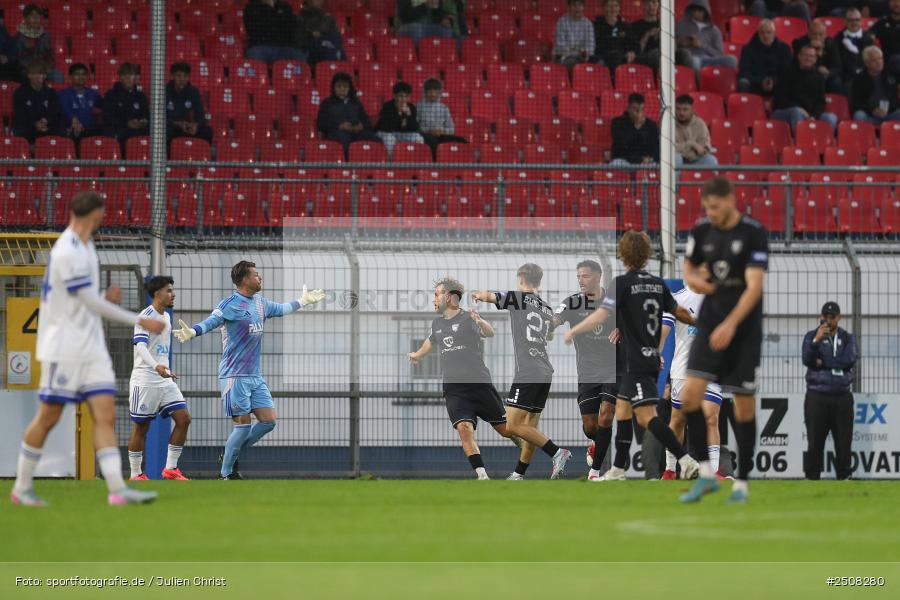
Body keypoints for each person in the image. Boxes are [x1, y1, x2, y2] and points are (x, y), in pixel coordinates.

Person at [11, 191, 164, 507]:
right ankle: (22, 487)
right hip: (65, 348)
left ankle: (117, 490)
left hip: (91, 348)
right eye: (102, 213)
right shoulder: (67, 250)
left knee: (104, 416)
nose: (104, 218)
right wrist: (137, 319)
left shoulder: (86, 245)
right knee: (49, 417)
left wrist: (102, 299)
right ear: (95, 214)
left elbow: (83, 300)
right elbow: (86, 301)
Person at [563, 231, 699, 482]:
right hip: (644, 357)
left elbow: (601, 315)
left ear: (623, 255)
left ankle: (686, 460)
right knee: (623, 412)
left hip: (634, 360)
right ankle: (617, 469)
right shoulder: (657, 283)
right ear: (646, 255)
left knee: (647, 417)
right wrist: (698, 321)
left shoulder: (622, 284)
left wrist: (575, 329)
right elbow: (679, 311)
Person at [173, 261, 325, 480]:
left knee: (268, 421)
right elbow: (212, 321)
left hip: (255, 376)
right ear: (244, 280)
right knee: (242, 427)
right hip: (234, 376)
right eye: (255, 275)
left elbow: (281, 309)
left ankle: (229, 453)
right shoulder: (230, 304)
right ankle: (226, 474)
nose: (260, 278)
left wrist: (303, 300)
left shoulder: (261, 303)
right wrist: (193, 332)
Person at [679, 176, 768, 505]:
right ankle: (705, 476)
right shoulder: (702, 231)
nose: (711, 214)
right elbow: (688, 267)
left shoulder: (753, 232)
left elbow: (754, 286)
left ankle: (742, 483)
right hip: (711, 323)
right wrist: (696, 282)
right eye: (707, 209)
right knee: (690, 397)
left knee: (743, 407)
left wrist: (731, 324)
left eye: (716, 208)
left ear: (731, 200)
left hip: (743, 328)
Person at [407, 278, 523, 480]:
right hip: (454, 389)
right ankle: (482, 476)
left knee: (506, 430)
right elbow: (429, 342)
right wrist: (417, 354)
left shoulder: (468, 318)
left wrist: (481, 322)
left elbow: (489, 332)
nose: (434, 299)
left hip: (479, 384)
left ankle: (528, 446)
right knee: (464, 428)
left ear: (450, 297)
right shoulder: (437, 324)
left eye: (437, 294)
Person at [471, 264, 572, 480]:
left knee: (513, 424)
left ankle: (557, 452)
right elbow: (549, 335)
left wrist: (479, 294)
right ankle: (518, 474)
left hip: (528, 370)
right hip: (545, 369)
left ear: (521, 279)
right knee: (531, 427)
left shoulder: (518, 297)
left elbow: (492, 296)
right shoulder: (545, 308)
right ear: (539, 281)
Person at [550, 260, 619, 480]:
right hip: (587, 372)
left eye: (585, 276)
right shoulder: (572, 303)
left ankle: (595, 472)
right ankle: (595, 444)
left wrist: (622, 328)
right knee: (591, 426)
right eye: (578, 276)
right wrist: (549, 326)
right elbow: (556, 318)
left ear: (598, 276)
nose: (581, 280)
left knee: (606, 416)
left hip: (613, 368)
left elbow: (632, 321)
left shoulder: (614, 301)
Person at [127, 276, 191, 482]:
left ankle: (171, 469)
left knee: (183, 419)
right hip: (145, 379)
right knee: (141, 427)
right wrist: (156, 366)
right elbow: (141, 346)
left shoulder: (166, 317)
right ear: (157, 294)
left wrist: (164, 369)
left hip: (164, 379)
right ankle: (136, 474)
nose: (173, 294)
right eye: (169, 290)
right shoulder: (145, 317)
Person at [659, 283, 726, 480]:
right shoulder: (677, 298)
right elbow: (665, 328)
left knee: (711, 418)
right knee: (678, 421)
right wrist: (656, 351)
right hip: (683, 370)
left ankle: (713, 472)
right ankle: (670, 470)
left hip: (710, 369)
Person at [802, 302, 857, 480]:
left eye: (832, 317)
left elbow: (848, 360)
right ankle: (812, 477)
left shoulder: (848, 338)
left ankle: (844, 476)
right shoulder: (811, 336)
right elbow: (807, 359)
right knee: (815, 441)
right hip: (817, 395)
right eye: (825, 316)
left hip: (842, 396)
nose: (828, 320)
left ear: (839, 317)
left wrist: (823, 362)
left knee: (843, 442)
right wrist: (816, 341)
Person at [772, 45, 840, 133]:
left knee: (831, 117)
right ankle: (801, 143)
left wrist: (813, 116)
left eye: (811, 56)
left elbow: (820, 102)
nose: (808, 58)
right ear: (799, 56)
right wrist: (798, 108)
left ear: (815, 59)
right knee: (796, 112)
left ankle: (822, 144)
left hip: (810, 113)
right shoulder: (787, 73)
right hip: (785, 111)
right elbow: (779, 98)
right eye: (805, 55)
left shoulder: (819, 77)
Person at [316, 71, 381, 157]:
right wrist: (339, 126)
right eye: (339, 86)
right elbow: (321, 123)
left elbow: (366, 120)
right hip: (337, 133)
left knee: (376, 140)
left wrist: (361, 125)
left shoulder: (355, 102)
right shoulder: (327, 103)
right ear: (333, 87)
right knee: (344, 140)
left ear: (349, 88)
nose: (342, 89)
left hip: (357, 132)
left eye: (345, 86)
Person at [675, 0, 738, 74]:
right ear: (690, 9)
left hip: (709, 60)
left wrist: (703, 45)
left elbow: (718, 53)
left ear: (706, 11)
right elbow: (674, 46)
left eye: (700, 10)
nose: (696, 12)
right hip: (691, 58)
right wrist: (685, 42)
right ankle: (697, 84)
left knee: (732, 60)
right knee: (695, 62)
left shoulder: (714, 30)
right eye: (694, 9)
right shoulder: (680, 26)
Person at [737, 19, 793, 96]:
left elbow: (787, 72)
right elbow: (744, 72)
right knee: (743, 82)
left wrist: (773, 82)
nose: (765, 36)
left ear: (774, 33)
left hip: (777, 85)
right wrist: (761, 81)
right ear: (758, 33)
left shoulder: (784, 49)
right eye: (762, 32)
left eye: (768, 32)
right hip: (755, 84)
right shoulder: (748, 49)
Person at [103, 63, 149, 153]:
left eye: (131, 75)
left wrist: (143, 121)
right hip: (118, 128)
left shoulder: (141, 96)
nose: (128, 78)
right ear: (120, 77)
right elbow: (109, 116)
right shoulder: (111, 95)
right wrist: (126, 123)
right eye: (125, 75)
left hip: (138, 128)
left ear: (135, 77)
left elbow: (145, 114)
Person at [12, 60, 63, 142]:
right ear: (28, 75)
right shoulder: (20, 93)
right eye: (33, 73)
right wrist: (35, 124)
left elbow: (54, 111)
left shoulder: (51, 93)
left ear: (45, 76)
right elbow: (20, 115)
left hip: (46, 126)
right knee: (21, 129)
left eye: (39, 73)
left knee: (60, 128)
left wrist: (46, 120)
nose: (36, 77)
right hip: (28, 127)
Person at [243, 0, 306, 64]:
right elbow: (253, 31)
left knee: (299, 56)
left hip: (283, 47)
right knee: (255, 55)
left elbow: (289, 29)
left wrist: (271, 22)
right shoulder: (251, 7)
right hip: (260, 45)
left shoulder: (285, 7)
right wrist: (272, 11)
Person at [849, 46, 900, 124]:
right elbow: (856, 103)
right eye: (874, 60)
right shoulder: (859, 79)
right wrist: (872, 110)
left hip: (890, 114)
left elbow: (895, 99)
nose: (879, 62)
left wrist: (889, 109)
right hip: (870, 116)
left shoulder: (891, 73)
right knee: (859, 115)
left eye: (880, 59)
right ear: (867, 63)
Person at [165, 62, 212, 145]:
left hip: (186, 128)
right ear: (172, 76)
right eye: (178, 76)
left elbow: (201, 116)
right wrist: (177, 124)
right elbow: (159, 118)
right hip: (171, 127)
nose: (182, 79)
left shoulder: (193, 92)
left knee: (207, 132)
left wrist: (196, 126)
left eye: (185, 76)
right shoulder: (164, 91)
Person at [792, 19, 844, 93]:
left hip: (826, 76)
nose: (817, 37)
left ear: (825, 35)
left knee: (836, 82)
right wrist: (814, 50)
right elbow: (797, 65)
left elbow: (838, 67)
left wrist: (828, 72)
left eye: (821, 34)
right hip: (807, 75)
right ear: (809, 34)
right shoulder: (800, 43)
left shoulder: (832, 44)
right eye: (814, 34)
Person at [418, 78, 467, 157]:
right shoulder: (418, 107)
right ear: (425, 92)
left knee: (462, 140)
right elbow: (415, 127)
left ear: (439, 92)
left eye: (435, 91)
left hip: (441, 136)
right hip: (425, 136)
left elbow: (451, 129)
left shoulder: (444, 108)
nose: (433, 94)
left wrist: (442, 131)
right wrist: (429, 131)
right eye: (430, 91)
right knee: (433, 142)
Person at [13, 4, 61, 83]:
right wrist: (34, 69)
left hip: (43, 69)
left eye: (37, 15)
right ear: (25, 18)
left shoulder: (46, 35)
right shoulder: (18, 37)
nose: (35, 18)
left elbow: (50, 55)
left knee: (58, 76)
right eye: (32, 15)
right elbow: (18, 59)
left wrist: (47, 67)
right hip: (27, 70)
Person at [377, 81, 425, 158]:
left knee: (418, 137)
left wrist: (409, 115)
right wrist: (398, 113)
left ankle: (416, 162)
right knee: (390, 139)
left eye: (406, 96)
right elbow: (387, 128)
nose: (404, 99)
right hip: (386, 133)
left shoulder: (411, 107)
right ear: (395, 96)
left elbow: (415, 128)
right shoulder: (387, 106)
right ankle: (391, 165)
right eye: (401, 96)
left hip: (403, 134)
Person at [609, 93, 659, 167]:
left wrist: (650, 158)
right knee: (616, 164)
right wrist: (636, 127)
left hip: (645, 163)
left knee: (658, 166)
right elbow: (621, 146)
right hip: (624, 161)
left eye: (642, 109)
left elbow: (654, 146)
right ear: (628, 108)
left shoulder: (651, 125)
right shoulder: (617, 123)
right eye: (635, 109)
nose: (638, 113)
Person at [58, 63, 103, 142]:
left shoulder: (93, 94)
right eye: (77, 74)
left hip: (91, 131)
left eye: (83, 74)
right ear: (70, 77)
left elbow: (104, 107)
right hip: (70, 130)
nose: (81, 77)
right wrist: (75, 122)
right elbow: (65, 110)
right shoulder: (63, 94)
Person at [835, 7, 877, 88]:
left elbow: (871, 60)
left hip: (866, 76)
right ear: (845, 21)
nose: (854, 23)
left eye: (857, 20)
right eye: (851, 20)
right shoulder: (838, 39)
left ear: (861, 21)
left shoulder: (868, 38)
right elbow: (838, 62)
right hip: (846, 77)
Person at [674, 94, 718, 168]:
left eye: (685, 109)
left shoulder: (700, 123)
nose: (681, 113)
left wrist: (686, 150)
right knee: (676, 158)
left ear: (692, 110)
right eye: (678, 109)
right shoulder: (669, 124)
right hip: (679, 159)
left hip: (696, 160)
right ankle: (675, 180)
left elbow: (704, 149)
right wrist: (692, 144)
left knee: (711, 160)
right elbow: (670, 148)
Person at [294, 0, 343, 65]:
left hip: (327, 49)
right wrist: (312, 35)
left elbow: (337, 38)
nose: (320, 1)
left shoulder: (328, 19)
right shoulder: (299, 18)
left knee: (339, 53)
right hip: (308, 51)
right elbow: (299, 40)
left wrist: (322, 38)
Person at [396, 0, 461, 45]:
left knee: (446, 30)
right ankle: (417, 58)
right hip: (406, 26)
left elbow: (437, 12)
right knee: (416, 28)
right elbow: (404, 16)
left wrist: (444, 18)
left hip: (428, 27)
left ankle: (440, 58)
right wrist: (424, 6)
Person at [594, 0, 634, 70]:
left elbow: (633, 44)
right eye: (609, 6)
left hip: (622, 58)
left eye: (616, 6)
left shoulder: (626, 26)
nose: (613, 9)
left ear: (619, 8)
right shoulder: (596, 25)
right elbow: (596, 46)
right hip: (602, 58)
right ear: (603, 8)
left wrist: (631, 52)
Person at [553, 0, 595, 67]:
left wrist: (585, 53)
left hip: (584, 57)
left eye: (579, 5)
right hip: (564, 57)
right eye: (574, 5)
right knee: (573, 63)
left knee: (599, 63)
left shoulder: (588, 24)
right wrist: (577, 52)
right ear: (569, 7)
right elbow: (560, 46)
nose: (577, 8)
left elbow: (590, 46)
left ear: (583, 7)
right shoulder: (562, 22)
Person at [871, 0, 900, 76]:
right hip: (885, 63)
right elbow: (868, 35)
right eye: (894, 1)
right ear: (889, 3)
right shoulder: (882, 22)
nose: (897, 4)